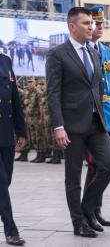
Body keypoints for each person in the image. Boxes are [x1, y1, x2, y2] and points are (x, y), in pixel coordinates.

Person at [46, 7, 110, 238]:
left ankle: (87, 208)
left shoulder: (95, 53)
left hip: (96, 122)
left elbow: (96, 87)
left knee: (108, 166)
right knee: (73, 177)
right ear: (72, 26)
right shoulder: (58, 54)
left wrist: (107, 115)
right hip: (72, 126)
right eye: (86, 23)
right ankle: (79, 223)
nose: (91, 27)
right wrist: (58, 126)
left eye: (92, 24)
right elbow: (53, 93)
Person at [83, 6, 110, 228]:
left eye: (102, 24)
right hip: (91, 118)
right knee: (96, 166)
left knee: (105, 166)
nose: (99, 27)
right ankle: (89, 211)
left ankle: (96, 209)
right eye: (96, 24)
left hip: (107, 116)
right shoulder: (83, 50)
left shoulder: (106, 51)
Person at [0, 51, 26, 246]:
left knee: (6, 180)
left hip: (6, 133)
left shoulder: (5, 60)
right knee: (1, 183)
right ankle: (11, 230)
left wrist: (21, 130)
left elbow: (14, 98)